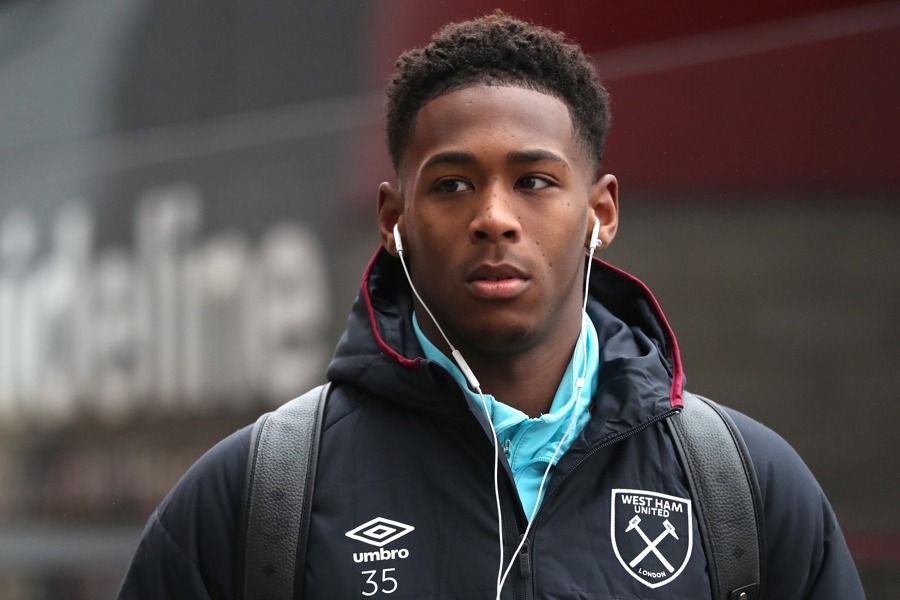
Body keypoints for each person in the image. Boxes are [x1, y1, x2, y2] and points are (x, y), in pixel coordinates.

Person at [118, 12, 865, 600]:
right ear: (393, 219)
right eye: (451, 184)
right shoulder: (258, 494)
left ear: (600, 212)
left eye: (536, 180)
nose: (495, 217)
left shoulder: (745, 488)